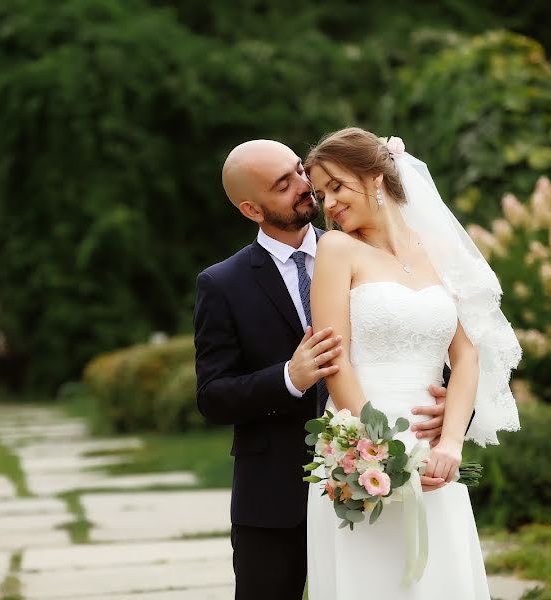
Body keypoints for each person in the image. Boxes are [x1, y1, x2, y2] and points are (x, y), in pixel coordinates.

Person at [193, 139, 451, 600]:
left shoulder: (373, 248)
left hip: (387, 478)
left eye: (299, 170)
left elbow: (422, 333)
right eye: (284, 183)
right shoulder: (222, 284)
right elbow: (213, 396)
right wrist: (289, 377)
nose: (305, 185)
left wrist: (450, 414)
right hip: (274, 500)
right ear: (252, 209)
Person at [304, 128, 521, 598]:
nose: (329, 204)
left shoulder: (437, 252)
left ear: (376, 176)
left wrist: (450, 446)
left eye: (337, 186)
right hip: (360, 442)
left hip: (434, 453)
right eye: (321, 194)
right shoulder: (337, 250)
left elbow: (465, 355)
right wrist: (381, 449)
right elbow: (334, 359)